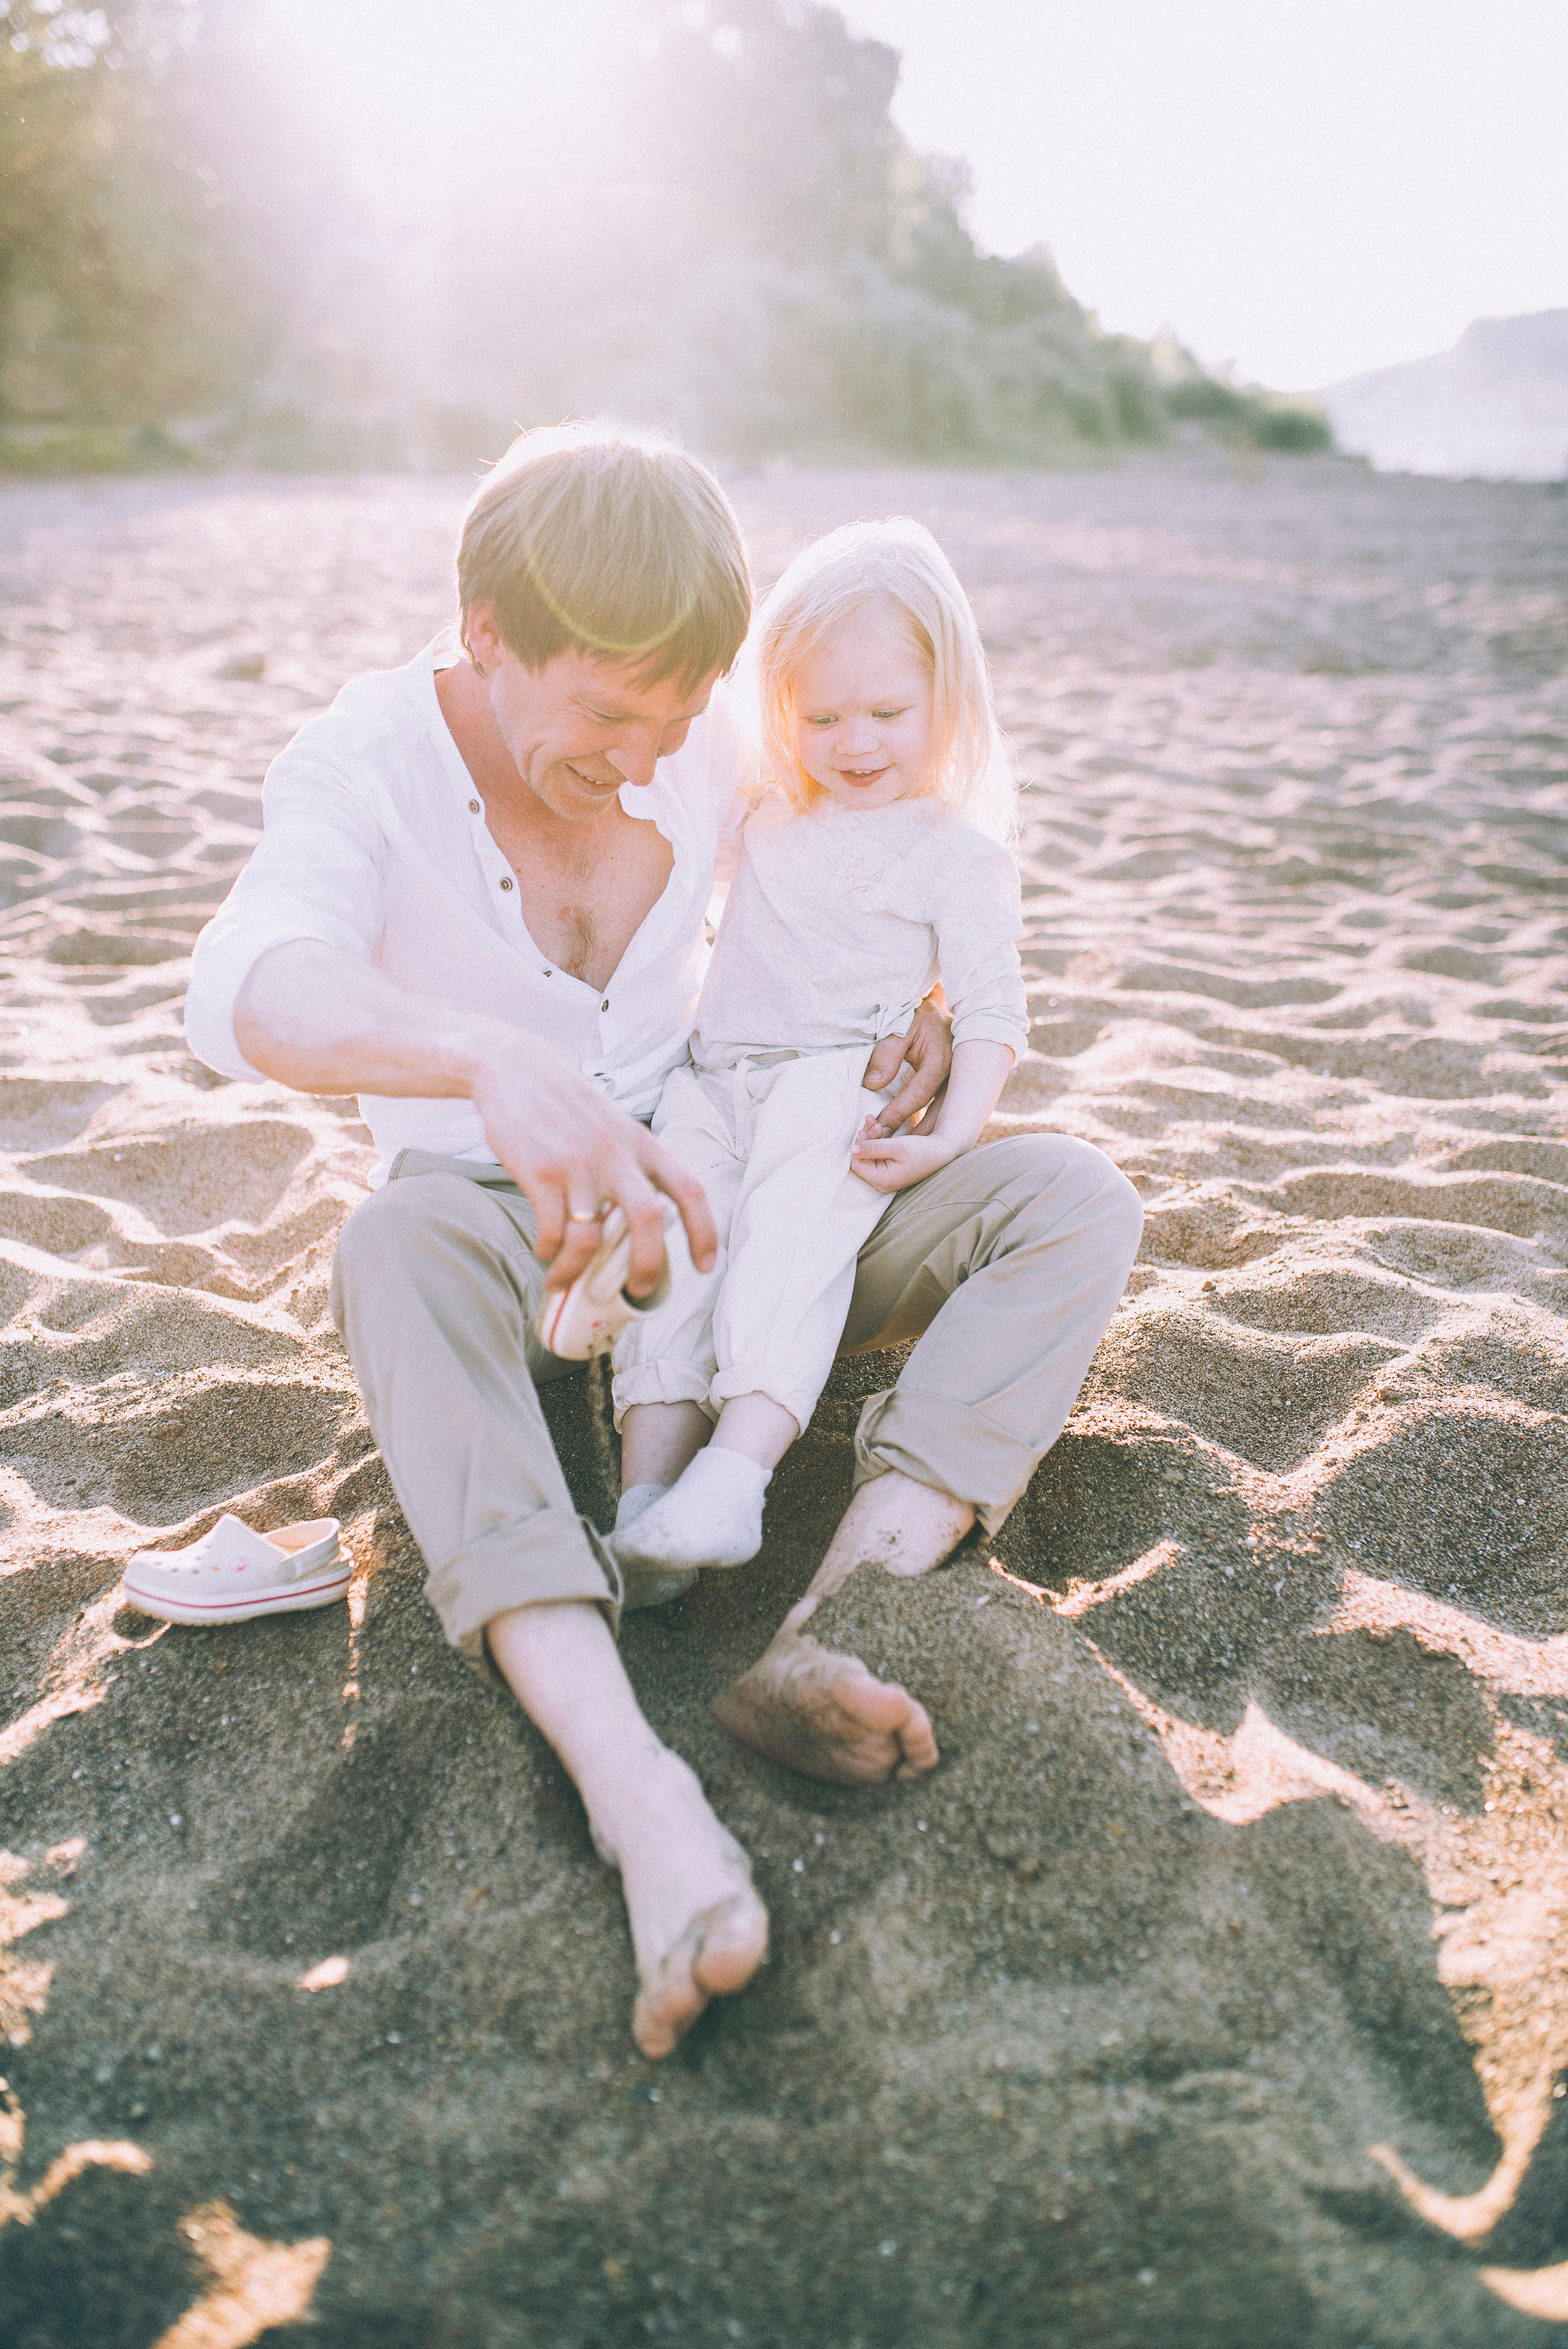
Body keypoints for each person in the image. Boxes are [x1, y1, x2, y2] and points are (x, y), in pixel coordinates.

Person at [183, 423, 1144, 2062]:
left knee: (1075, 1202)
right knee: (391, 1249)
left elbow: (875, 843)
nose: (649, 756)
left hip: (754, 1193)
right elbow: (251, 986)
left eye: (680, 714)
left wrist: (912, 1023)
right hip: (514, 1226)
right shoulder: (363, 765)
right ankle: (641, 1797)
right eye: (611, 713)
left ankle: (832, 1622)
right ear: (487, 634)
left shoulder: (697, 741)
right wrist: (491, 1061)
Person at [609, 521, 1028, 1604]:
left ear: (948, 699)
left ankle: (736, 1478)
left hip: (835, 1090)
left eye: (888, 713)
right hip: (708, 1079)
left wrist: (955, 1128)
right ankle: (644, 1507)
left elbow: (991, 1009)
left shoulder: (956, 852)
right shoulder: (772, 808)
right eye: (823, 715)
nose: (855, 742)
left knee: (784, 1263)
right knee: (674, 1263)